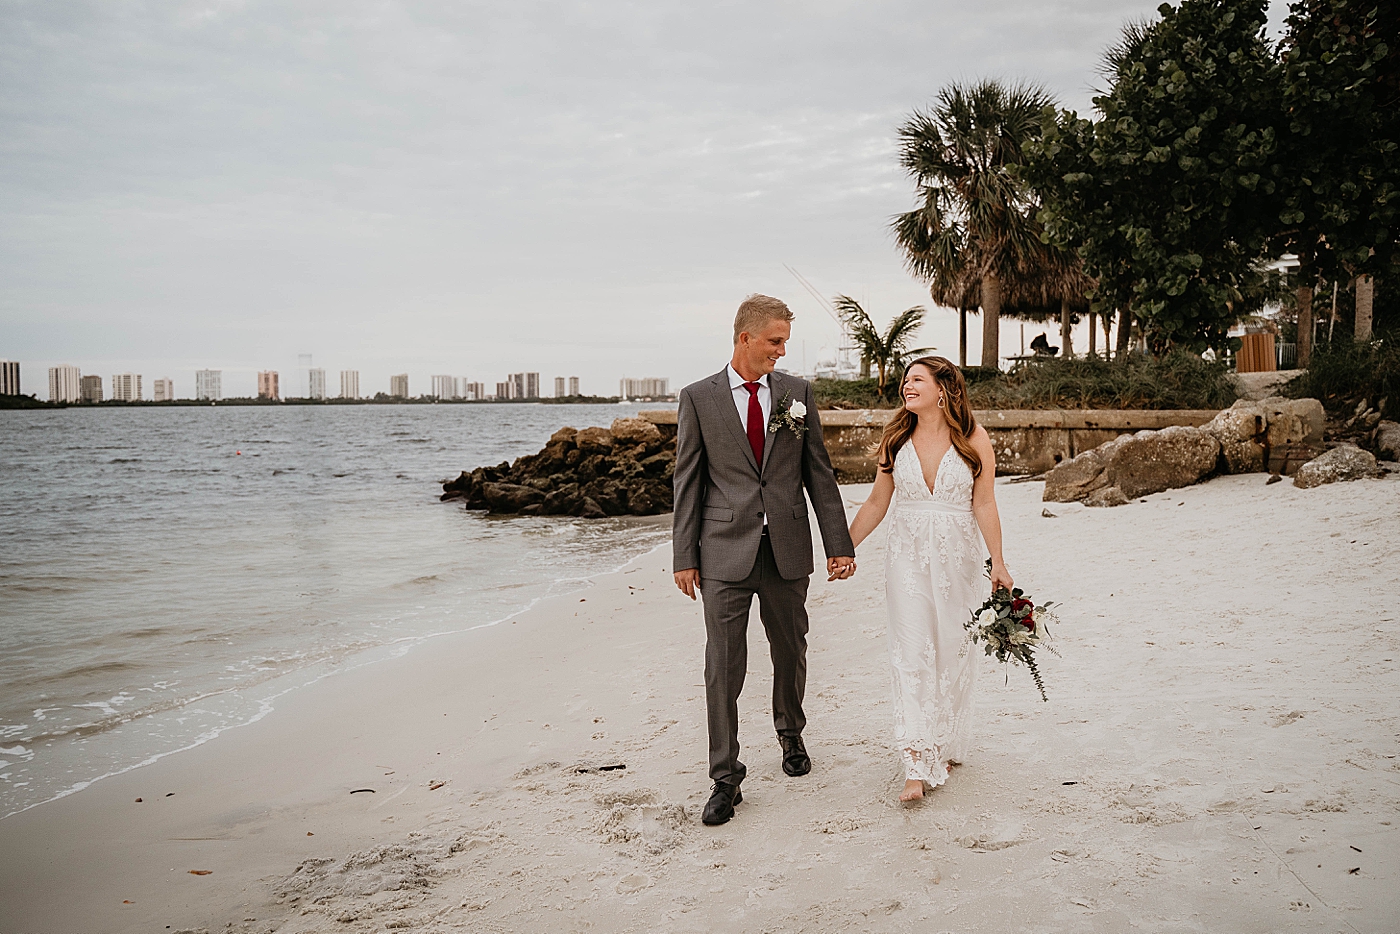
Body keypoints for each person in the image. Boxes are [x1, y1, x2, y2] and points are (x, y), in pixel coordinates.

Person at [672, 294, 856, 826]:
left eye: (785, 342)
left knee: (790, 650)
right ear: (745, 338)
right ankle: (725, 779)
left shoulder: (797, 394)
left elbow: (818, 474)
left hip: (787, 549)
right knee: (722, 667)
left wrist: (838, 545)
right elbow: (688, 483)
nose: (782, 350)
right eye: (775, 341)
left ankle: (790, 733)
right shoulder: (698, 398)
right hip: (722, 553)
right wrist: (684, 556)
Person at [846, 356, 1012, 803]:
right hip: (907, 559)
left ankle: (946, 739)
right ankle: (915, 762)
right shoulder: (896, 438)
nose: (906, 385)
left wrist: (999, 562)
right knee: (911, 651)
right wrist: (845, 547)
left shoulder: (974, 438)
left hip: (957, 559)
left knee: (952, 652)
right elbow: (879, 502)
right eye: (905, 379)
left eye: (917, 379)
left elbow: (985, 504)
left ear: (944, 389)